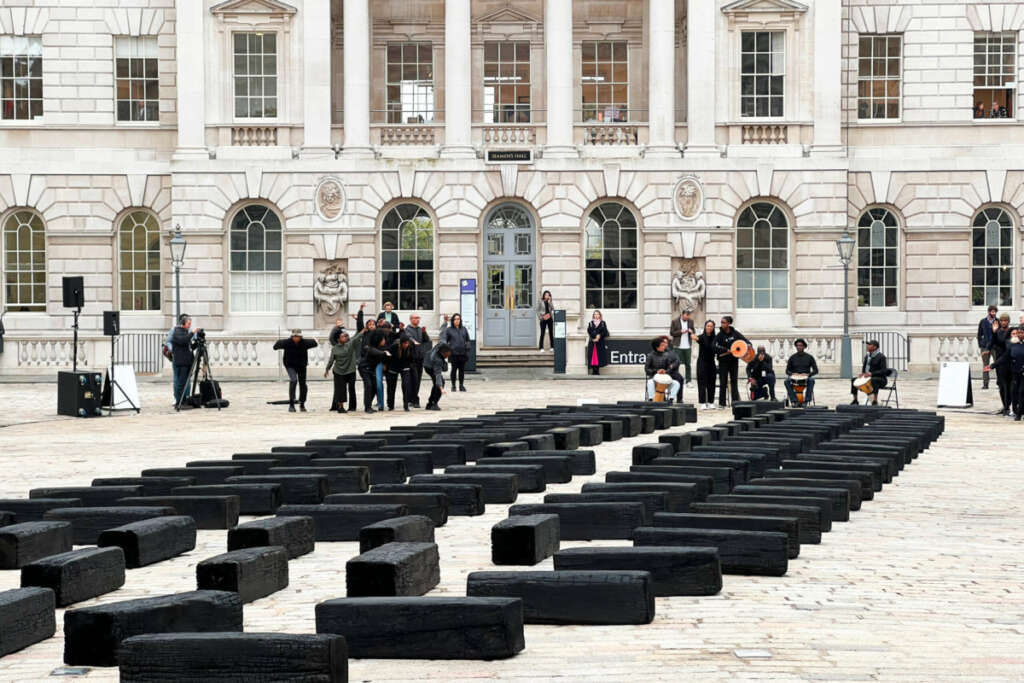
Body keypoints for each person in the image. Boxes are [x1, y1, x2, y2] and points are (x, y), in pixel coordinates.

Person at [273, 329, 319, 412]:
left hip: (301, 365)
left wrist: (315, 340)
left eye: (298, 337)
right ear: (292, 336)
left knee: (303, 384)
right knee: (293, 380)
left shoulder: (305, 342)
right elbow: (275, 347)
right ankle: (291, 404)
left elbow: (314, 343)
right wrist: (277, 344)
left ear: (301, 337)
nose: (296, 338)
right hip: (290, 365)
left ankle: (302, 403)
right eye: (295, 336)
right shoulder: (286, 342)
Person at [985, 327, 1024, 420]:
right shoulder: (1013, 345)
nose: (1020, 334)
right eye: (1019, 333)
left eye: (1022, 333)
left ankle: (1019, 413)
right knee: (1014, 392)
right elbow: (1005, 357)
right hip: (1015, 372)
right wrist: (992, 366)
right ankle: (1015, 410)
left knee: (1022, 392)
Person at [713, 316, 749, 408]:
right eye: (721, 322)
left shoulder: (735, 333)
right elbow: (713, 346)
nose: (722, 324)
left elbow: (745, 341)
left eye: (724, 322)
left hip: (733, 361)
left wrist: (747, 345)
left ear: (729, 323)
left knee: (734, 381)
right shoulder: (720, 335)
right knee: (723, 382)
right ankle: (722, 403)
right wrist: (725, 350)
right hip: (723, 361)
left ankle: (735, 402)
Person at [324, 328, 361, 413]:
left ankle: (352, 407)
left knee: (351, 388)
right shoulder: (335, 349)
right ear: (338, 339)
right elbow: (331, 360)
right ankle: (340, 407)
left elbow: (358, 335)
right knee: (341, 389)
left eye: (346, 336)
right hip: (339, 371)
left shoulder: (350, 344)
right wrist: (327, 370)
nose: (345, 337)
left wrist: (363, 328)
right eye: (343, 336)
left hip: (351, 370)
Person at [354, 305, 382, 413]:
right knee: (369, 385)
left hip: (372, 365)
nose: (371, 326)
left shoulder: (377, 333)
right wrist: (360, 310)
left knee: (375, 386)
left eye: (373, 324)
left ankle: (368, 404)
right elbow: (360, 324)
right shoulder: (365, 333)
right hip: (363, 365)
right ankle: (367, 407)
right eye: (369, 324)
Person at [851, 339, 890, 405]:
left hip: (880, 379)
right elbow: (864, 367)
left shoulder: (881, 357)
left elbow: (884, 371)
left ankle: (875, 401)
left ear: (875, 347)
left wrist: (871, 374)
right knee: (853, 380)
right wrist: (863, 374)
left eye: (869, 345)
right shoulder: (867, 356)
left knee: (874, 380)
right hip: (868, 377)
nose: (867, 346)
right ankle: (855, 400)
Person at [403, 313, 430, 407]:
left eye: (418, 318)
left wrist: (424, 332)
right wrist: (414, 342)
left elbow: (427, 340)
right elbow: (409, 338)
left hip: (420, 357)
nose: (417, 320)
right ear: (411, 319)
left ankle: (413, 399)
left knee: (418, 379)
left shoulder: (420, 329)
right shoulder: (407, 329)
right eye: (415, 318)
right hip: (411, 358)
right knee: (413, 379)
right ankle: (413, 399)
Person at [170, 314, 197, 405]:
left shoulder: (186, 332)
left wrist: (197, 343)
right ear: (183, 323)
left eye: (190, 324)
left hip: (187, 361)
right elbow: (182, 340)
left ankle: (184, 399)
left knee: (185, 382)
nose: (190, 325)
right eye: (189, 323)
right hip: (181, 361)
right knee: (180, 383)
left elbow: (189, 346)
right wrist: (192, 333)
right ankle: (179, 401)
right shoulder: (177, 331)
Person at [784, 338, 819, 406]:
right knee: (786, 381)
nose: (799, 347)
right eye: (797, 345)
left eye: (800, 345)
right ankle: (794, 400)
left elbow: (816, 370)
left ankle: (806, 401)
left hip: (805, 377)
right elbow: (787, 371)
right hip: (794, 377)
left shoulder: (809, 357)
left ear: (804, 347)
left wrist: (808, 374)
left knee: (811, 380)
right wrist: (792, 374)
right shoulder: (792, 357)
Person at [645, 336, 681, 402]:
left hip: (665, 380)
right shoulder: (650, 356)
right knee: (650, 382)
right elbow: (647, 369)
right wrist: (656, 371)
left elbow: (669, 368)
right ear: (657, 347)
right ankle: (652, 399)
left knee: (676, 383)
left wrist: (665, 371)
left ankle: (670, 399)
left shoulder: (666, 355)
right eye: (662, 345)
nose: (664, 347)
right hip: (654, 380)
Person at [441, 313, 470, 391]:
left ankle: (461, 385)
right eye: (455, 319)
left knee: (462, 370)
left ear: (460, 320)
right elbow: (444, 340)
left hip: (462, 353)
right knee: (454, 369)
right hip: (453, 353)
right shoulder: (449, 330)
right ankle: (453, 385)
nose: (457, 321)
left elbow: (467, 339)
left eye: (458, 319)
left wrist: (467, 347)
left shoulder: (464, 329)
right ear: (453, 320)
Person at [385, 335, 415, 411]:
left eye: (407, 343)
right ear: (401, 343)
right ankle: (390, 405)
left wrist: (409, 366)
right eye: (405, 343)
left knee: (406, 385)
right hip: (393, 367)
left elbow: (412, 358)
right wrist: (386, 366)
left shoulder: (410, 347)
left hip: (405, 367)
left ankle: (406, 405)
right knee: (391, 387)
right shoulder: (394, 347)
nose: (406, 345)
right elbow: (387, 356)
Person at [991, 314, 1013, 415]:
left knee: (1008, 385)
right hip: (999, 362)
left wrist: (995, 333)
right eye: (1002, 321)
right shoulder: (998, 331)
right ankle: (1005, 406)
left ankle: (1008, 406)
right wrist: (994, 333)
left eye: (1005, 321)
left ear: (1008, 321)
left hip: (1008, 362)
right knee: (1001, 385)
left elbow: (1002, 342)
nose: (1003, 322)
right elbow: (994, 343)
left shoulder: (1010, 332)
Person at [669, 309, 695, 391]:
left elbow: (694, 331)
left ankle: (688, 381)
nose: (687, 317)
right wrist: (681, 332)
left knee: (688, 364)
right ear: (682, 315)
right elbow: (672, 333)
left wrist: (691, 331)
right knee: (676, 364)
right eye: (686, 316)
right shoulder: (674, 321)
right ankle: (676, 379)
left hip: (687, 346)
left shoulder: (690, 321)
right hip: (678, 346)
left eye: (688, 316)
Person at [695, 320, 717, 409]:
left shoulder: (716, 338)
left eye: (711, 326)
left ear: (713, 328)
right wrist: (692, 334)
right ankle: (703, 402)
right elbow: (696, 338)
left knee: (712, 382)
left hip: (711, 362)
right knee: (702, 382)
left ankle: (711, 402)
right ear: (705, 327)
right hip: (702, 362)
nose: (709, 327)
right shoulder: (701, 337)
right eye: (708, 326)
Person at [424, 342, 452, 411]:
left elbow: (442, 340)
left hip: (427, 362)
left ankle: (430, 403)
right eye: (447, 355)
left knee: (436, 384)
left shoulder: (440, 346)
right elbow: (438, 374)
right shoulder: (437, 360)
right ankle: (434, 403)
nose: (447, 356)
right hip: (429, 367)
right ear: (442, 353)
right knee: (440, 382)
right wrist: (441, 387)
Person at [978, 305, 998, 389]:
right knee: (985, 365)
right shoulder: (983, 321)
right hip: (985, 347)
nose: (993, 313)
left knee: (998, 364)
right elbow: (979, 334)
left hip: (995, 347)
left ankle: (999, 382)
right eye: (992, 311)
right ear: (989, 312)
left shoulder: (998, 321)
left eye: (995, 312)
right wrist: (981, 344)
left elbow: (1000, 334)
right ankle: (985, 383)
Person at [586, 310, 610, 375]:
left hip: (600, 342)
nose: (596, 315)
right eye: (595, 314)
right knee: (593, 356)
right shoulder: (590, 323)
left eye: (597, 314)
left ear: (600, 315)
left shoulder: (603, 323)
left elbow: (604, 331)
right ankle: (594, 370)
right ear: (593, 315)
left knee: (598, 356)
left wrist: (599, 336)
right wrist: (595, 337)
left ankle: (597, 370)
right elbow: (589, 331)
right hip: (593, 342)